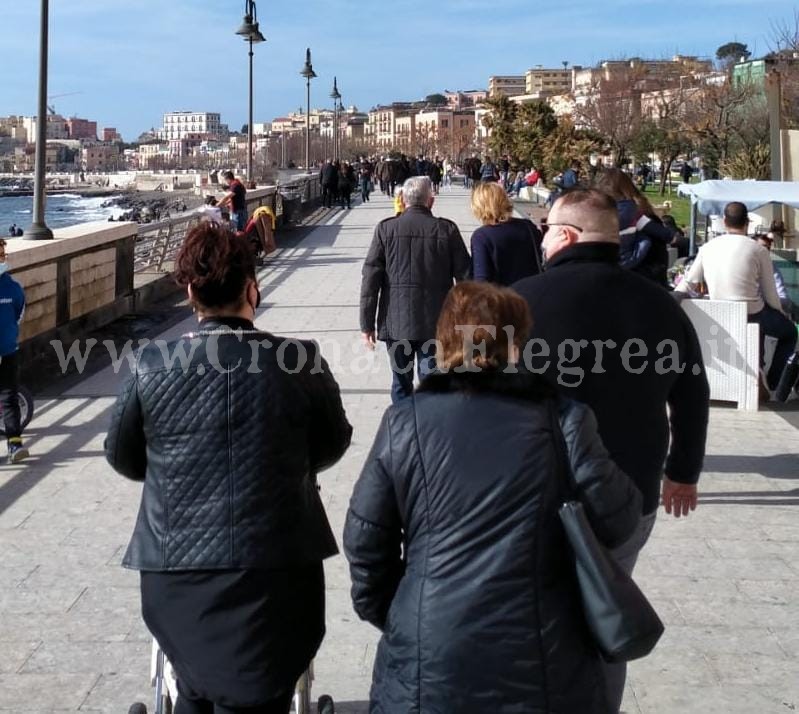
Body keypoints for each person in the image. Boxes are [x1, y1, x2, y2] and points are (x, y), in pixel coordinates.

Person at [344, 281, 642, 713]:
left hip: (433, 643)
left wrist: (402, 612)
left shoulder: (405, 422)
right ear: (517, 342)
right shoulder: (564, 420)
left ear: (444, 338)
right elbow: (619, 520)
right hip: (545, 646)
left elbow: (365, 541)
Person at [105, 224, 352, 714]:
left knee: (191, 682)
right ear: (251, 288)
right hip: (279, 567)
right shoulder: (299, 360)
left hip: (178, 571)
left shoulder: (150, 364)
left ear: (191, 291)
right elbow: (333, 441)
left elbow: (122, 454)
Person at [513, 189, 709, 713]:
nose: (542, 235)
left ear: (566, 235)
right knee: (607, 608)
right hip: (631, 492)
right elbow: (692, 392)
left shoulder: (523, 300)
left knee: (534, 612)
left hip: (539, 492)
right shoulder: (660, 304)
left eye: (547, 226)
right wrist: (683, 472)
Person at [360, 176, 470, 403]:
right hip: (437, 321)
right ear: (431, 201)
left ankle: (403, 427)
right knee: (432, 381)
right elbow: (466, 278)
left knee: (400, 381)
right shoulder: (446, 230)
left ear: (402, 199)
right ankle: (431, 429)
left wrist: (366, 324)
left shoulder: (386, 229)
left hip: (396, 320)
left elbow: (370, 279)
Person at [676, 202, 797, 392]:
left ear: (725, 222)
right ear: (747, 223)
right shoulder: (758, 250)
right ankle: (772, 382)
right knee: (790, 333)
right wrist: (781, 312)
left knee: (762, 319)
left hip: (719, 312)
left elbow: (689, 281)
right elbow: (771, 294)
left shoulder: (708, 248)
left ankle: (758, 369)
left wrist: (676, 295)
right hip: (752, 313)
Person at [595, 168, 673, 286]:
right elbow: (661, 251)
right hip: (639, 281)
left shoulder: (591, 217)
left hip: (601, 279)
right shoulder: (638, 215)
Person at [470, 181, 541, 285]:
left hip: (504, 298)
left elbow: (482, 281)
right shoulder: (528, 226)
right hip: (533, 294)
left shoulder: (482, 236)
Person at [0, 239, 28, 464]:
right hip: (8, 348)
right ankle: (14, 444)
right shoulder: (14, 287)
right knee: (9, 396)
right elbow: (19, 314)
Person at [756, 233, 795, 316]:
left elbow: (784, 298)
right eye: (761, 247)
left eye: (768, 248)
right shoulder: (746, 265)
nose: (765, 250)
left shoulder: (772, 268)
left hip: (766, 311)